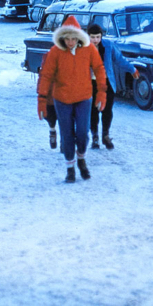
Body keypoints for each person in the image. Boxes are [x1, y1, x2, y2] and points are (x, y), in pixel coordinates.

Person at [37, 15, 107, 182]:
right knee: (67, 134)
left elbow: (99, 68)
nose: (70, 42)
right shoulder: (55, 52)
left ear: (79, 37)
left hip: (84, 97)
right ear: (62, 38)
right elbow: (46, 75)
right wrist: (42, 99)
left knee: (82, 133)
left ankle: (81, 158)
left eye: (73, 38)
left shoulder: (89, 49)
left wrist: (101, 93)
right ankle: (70, 168)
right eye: (67, 39)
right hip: (62, 99)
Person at [87, 23, 139, 149]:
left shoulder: (108, 46)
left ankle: (105, 135)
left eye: (98, 37)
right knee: (93, 111)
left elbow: (119, 59)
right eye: (93, 37)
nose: (95, 40)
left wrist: (132, 69)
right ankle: (95, 137)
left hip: (106, 83)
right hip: (90, 84)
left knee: (107, 110)